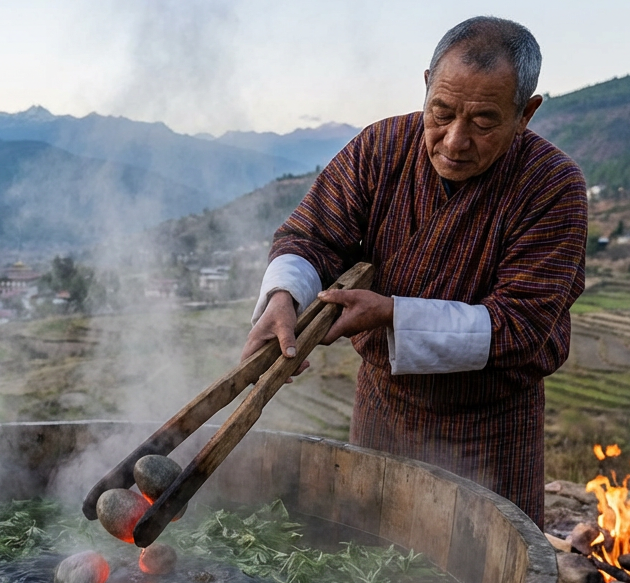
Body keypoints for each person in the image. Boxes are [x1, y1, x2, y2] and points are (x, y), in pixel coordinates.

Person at [242, 16, 587, 528]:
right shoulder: (380, 148)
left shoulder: (552, 187)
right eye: (441, 112)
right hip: (385, 408)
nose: (453, 141)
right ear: (426, 84)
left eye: (484, 122)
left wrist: (390, 314)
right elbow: (312, 236)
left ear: (526, 113)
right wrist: (283, 299)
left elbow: (520, 325)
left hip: (492, 428)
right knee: (367, 568)